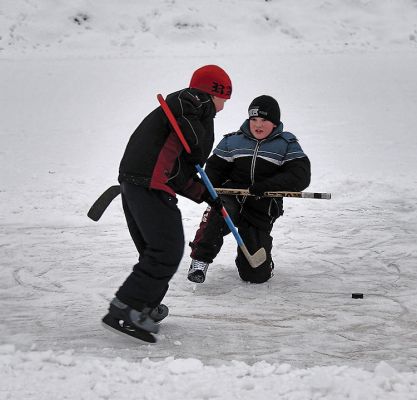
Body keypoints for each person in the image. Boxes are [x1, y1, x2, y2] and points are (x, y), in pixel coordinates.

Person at [102, 65, 232, 342]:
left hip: (140, 183)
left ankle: (144, 307)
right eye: (223, 100)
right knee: (166, 250)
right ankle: (126, 309)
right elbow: (186, 117)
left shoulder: (187, 117)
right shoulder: (187, 103)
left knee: (156, 252)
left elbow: (178, 170)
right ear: (212, 93)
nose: (223, 108)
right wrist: (199, 130)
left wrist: (204, 194)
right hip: (148, 186)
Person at [188, 95, 311, 284]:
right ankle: (200, 260)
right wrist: (210, 189)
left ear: (275, 122)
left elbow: (300, 176)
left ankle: (257, 266)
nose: (258, 125)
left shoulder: (286, 145)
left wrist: (267, 186)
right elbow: (214, 169)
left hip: (262, 206)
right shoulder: (233, 141)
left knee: (255, 276)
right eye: (253, 119)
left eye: (264, 120)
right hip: (232, 198)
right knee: (219, 213)